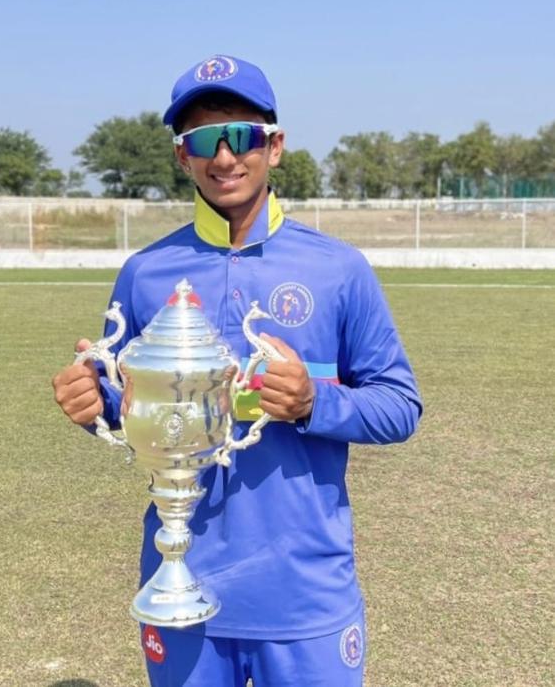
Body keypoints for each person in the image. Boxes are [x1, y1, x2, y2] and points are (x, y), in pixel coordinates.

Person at [52, 54, 422, 687]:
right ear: (182, 156)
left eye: (241, 135)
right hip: (181, 585)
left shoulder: (338, 269)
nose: (223, 156)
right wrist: (95, 402)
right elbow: (134, 407)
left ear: (274, 146)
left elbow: (400, 405)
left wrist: (313, 403)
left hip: (305, 593)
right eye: (202, 140)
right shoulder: (145, 273)